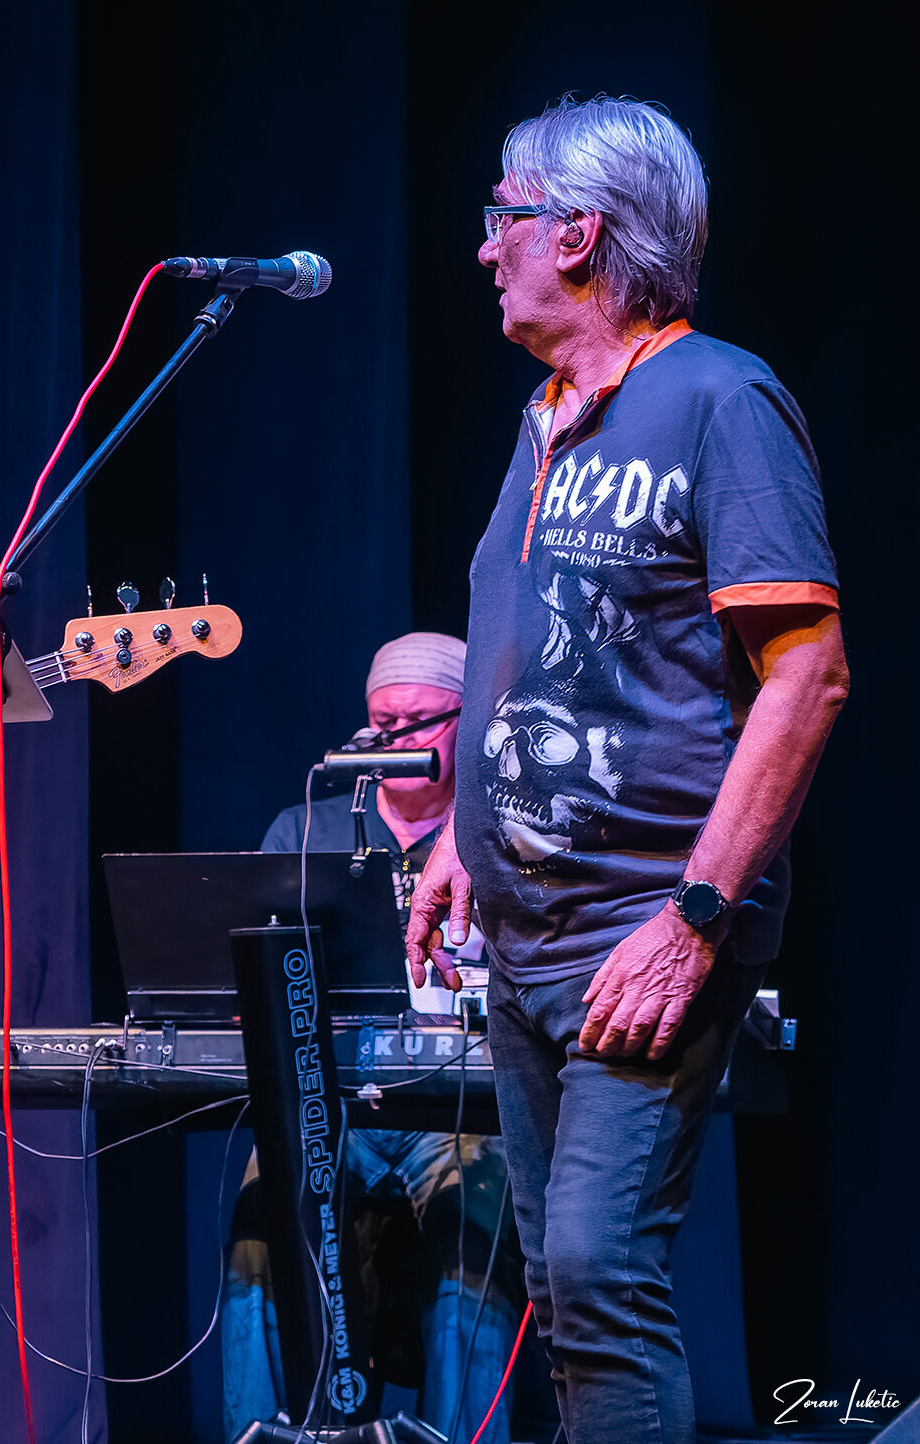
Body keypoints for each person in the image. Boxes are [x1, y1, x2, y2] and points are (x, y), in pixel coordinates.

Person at [403, 97, 848, 1444]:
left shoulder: (720, 401)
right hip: (526, 939)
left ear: (577, 235)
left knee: (600, 1274)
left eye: (503, 217)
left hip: (643, 927)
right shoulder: (544, 420)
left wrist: (695, 916)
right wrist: (459, 835)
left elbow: (807, 679)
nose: (484, 247)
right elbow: (531, 654)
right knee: (556, 1283)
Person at [223, 632, 521, 1444]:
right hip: (335, 1099)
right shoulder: (306, 829)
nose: (394, 740)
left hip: (457, 1107)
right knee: (259, 1222)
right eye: (381, 723)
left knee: (472, 1225)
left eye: (418, 723)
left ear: (468, 722)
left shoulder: (503, 830)